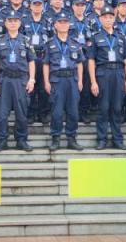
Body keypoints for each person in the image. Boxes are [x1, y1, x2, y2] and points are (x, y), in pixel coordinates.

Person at [0, 10, 36, 151]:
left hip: (21, 80)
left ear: (20, 23)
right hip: (5, 80)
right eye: (10, 21)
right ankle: (2, 140)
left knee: (21, 113)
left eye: (15, 21)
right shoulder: (0, 40)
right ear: (5, 23)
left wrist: (32, 79)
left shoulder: (26, 40)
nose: (12, 23)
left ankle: (21, 140)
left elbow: (31, 61)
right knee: (2, 113)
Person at [87, 5, 126, 150]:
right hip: (103, 74)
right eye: (105, 17)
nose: (108, 19)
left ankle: (117, 139)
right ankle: (102, 139)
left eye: (111, 17)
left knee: (117, 108)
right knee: (103, 108)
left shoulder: (121, 37)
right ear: (100, 19)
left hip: (119, 73)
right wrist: (93, 82)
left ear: (114, 19)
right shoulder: (95, 37)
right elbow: (91, 60)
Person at [43, 14, 84, 151]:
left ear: (69, 25)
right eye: (60, 22)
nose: (63, 24)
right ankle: (56, 138)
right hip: (57, 80)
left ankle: (71, 138)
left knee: (73, 112)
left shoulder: (75, 43)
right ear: (55, 25)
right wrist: (46, 82)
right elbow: (46, 64)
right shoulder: (49, 44)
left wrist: (80, 80)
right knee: (57, 112)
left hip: (72, 80)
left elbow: (79, 63)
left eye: (65, 22)